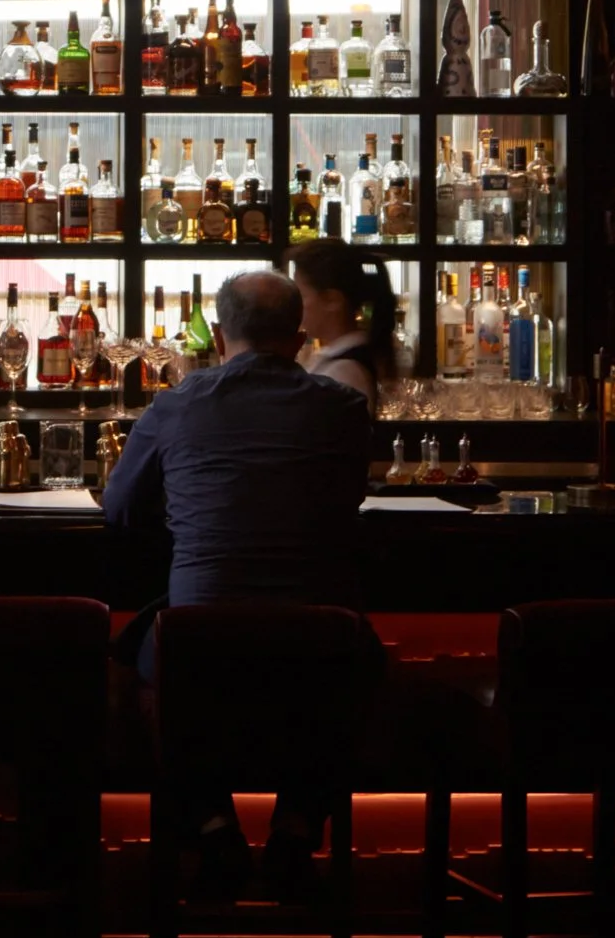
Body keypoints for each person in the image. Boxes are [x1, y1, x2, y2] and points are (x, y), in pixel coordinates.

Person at [100, 267, 377, 896]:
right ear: (300, 338)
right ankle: (297, 830)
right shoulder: (344, 409)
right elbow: (343, 503)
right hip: (319, 648)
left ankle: (212, 827)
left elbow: (120, 509)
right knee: (354, 655)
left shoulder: (175, 404)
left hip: (200, 646)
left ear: (220, 336)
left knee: (155, 656)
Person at [292, 240, 402, 402]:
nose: (295, 304)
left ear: (332, 300)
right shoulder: (333, 359)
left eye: (302, 296)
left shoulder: (344, 372)